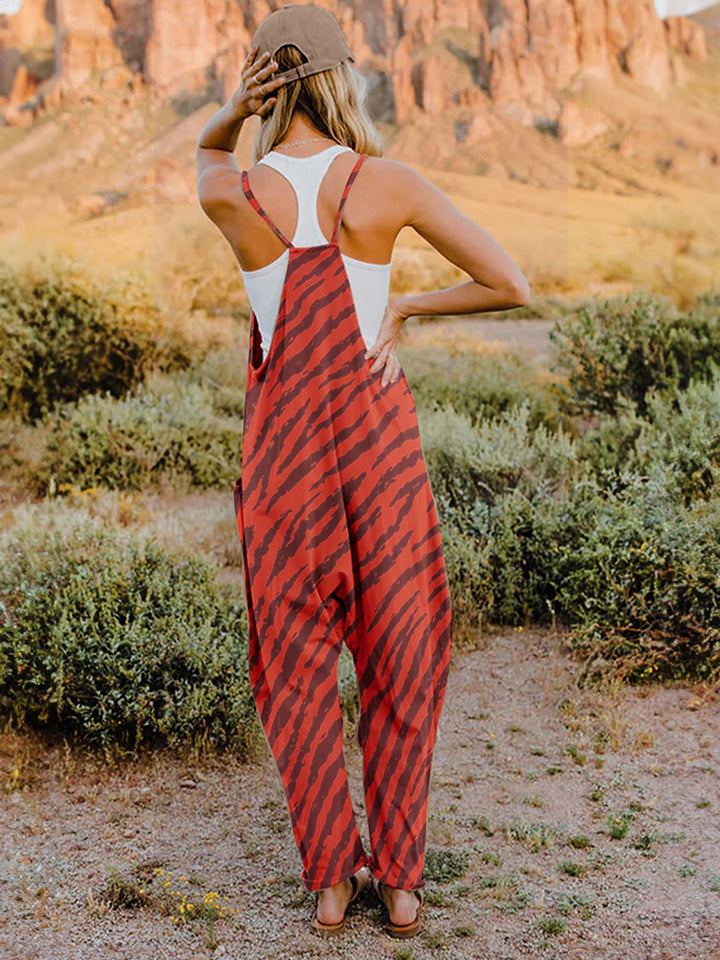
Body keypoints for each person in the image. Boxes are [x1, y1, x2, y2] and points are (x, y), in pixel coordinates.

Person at [195, 2, 530, 941]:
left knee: (295, 663)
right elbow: (513, 282)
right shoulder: (386, 184)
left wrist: (232, 111)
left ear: (266, 86)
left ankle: (332, 884)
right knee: (402, 653)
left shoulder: (235, 193)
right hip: (378, 448)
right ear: (343, 78)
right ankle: (405, 882)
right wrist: (408, 305)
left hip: (285, 457)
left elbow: (205, 161)